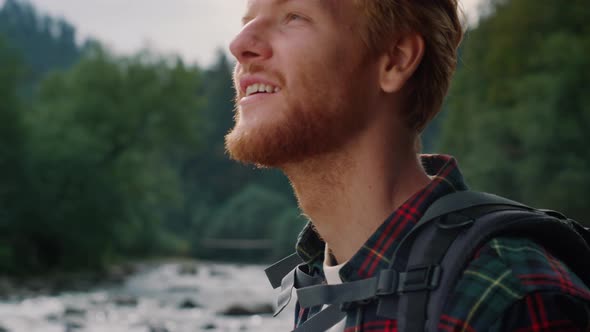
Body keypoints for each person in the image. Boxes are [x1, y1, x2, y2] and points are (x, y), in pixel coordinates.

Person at [225, 0, 590, 331]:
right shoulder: (320, 281)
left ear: (396, 59)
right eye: (248, 19)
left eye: (294, 17)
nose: (240, 43)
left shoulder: (507, 292)